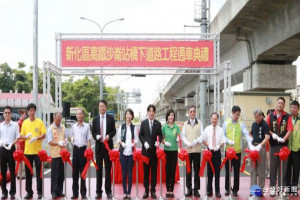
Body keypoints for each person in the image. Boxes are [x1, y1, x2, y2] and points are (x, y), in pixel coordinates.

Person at [266, 97, 293, 197]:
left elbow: (290, 129)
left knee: (283, 169)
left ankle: (281, 189)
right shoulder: (270, 115)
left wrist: (284, 139)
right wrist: (272, 134)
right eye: (278, 103)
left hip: (283, 147)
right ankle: (272, 189)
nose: (280, 105)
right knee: (273, 168)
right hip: (273, 146)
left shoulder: (287, 116)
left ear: (284, 105)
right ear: (276, 104)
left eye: (282, 103)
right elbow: (266, 127)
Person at [223, 105, 252, 197]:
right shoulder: (226, 123)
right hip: (228, 152)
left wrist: (249, 140)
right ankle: (227, 188)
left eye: (238, 115)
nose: (237, 116)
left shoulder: (241, 123)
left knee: (236, 171)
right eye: (236, 114)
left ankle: (235, 189)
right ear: (232, 113)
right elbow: (222, 135)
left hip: (237, 152)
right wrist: (228, 141)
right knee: (228, 171)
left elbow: (246, 133)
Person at [20, 103, 46, 200]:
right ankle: (29, 192)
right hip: (27, 152)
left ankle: (40, 192)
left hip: (38, 152)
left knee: (39, 173)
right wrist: (25, 137)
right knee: (28, 173)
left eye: (33, 110)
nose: (32, 112)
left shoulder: (39, 122)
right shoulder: (25, 123)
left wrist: (36, 137)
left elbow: (43, 134)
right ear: (27, 112)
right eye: (30, 110)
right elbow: (21, 136)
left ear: (35, 111)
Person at [92, 100, 116, 199]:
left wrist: (109, 136)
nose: (102, 108)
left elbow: (114, 131)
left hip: (108, 148)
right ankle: (98, 191)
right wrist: (96, 136)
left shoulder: (110, 118)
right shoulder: (95, 119)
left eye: (103, 106)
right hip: (99, 148)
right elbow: (93, 132)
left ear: (106, 107)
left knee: (107, 170)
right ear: (98, 108)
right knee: (99, 171)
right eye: (100, 106)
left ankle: (108, 191)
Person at [139, 104, 162, 199]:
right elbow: (141, 135)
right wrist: (144, 142)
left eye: (153, 111)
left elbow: (160, 135)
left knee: (154, 172)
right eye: (150, 111)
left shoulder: (158, 123)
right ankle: (146, 191)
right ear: (147, 112)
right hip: (145, 152)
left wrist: (158, 141)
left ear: (154, 113)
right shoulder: (143, 123)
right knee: (146, 172)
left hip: (154, 153)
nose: (151, 113)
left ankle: (153, 191)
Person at [181, 106, 204, 197]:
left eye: (194, 111)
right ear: (188, 113)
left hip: (197, 150)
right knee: (188, 171)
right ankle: (189, 189)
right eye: (191, 111)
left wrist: (196, 141)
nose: (192, 113)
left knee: (197, 170)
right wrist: (187, 143)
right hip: (188, 151)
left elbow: (202, 135)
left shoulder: (200, 123)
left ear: (195, 113)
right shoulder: (185, 124)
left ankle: (196, 190)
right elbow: (183, 136)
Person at [70, 109, 91, 199]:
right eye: (77, 114)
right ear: (76, 116)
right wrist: (71, 139)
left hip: (83, 150)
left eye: (80, 114)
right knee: (75, 172)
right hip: (75, 150)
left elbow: (89, 139)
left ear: (83, 115)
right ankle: (75, 193)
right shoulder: (73, 126)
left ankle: (83, 193)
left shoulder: (87, 126)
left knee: (83, 172)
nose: (79, 116)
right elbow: (71, 136)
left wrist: (89, 151)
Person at [117, 109, 138, 200]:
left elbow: (136, 139)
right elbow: (118, 139)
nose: (128, 116)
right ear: (125, 116)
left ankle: (129, 192)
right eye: (127, 114)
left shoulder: (134, 128)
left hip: (131, 154)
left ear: (132, 116)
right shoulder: (121, 127)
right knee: (124, 174)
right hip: (123, 153)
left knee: (130, 174)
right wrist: (121, 143)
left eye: (130, 114)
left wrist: (134, 144)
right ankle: (124, 192)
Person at [202, 112, 225, 198]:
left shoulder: (221, 129)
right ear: (211, 119)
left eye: (215, 119)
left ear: (217, 120)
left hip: (217, 152)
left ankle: (217, 191)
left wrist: (219, 146)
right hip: (209, 153)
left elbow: (223, 141)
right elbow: (203, 140)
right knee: (209, 173)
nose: (214, 120)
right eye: (213, 119)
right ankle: (209, 190)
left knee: (217, 173)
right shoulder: (207, 129)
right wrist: (209, 145)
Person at [0, 106, 20, 199]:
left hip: (11, 149)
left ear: (11, 114)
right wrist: (2, 142)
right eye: (6, 112)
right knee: (3, 172)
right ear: (3, 114)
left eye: (9, 112)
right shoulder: (0, 125)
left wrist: (12, 143)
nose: (7, 114)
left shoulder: (15, 125)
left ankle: (12, 192)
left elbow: (18, 137)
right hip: (3, 149)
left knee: (12, 172)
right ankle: (4, 192)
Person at [249, 108, 270, 196]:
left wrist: (260, 145)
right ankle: (253, 189)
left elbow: (267, 137)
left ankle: (260, 190)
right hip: (253, 147)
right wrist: (250, 143)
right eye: (255, 117)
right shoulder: (253, 124)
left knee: (261, 170)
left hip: (261, 148)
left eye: (257, 117)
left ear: (261, 116)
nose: (256, 119)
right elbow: (251, 134)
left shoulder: (265, 124)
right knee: (253, 170)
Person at [47, 112, 67, 199]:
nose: (58, 122)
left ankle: (60, 191)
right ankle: (54, 192)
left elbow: (66, 137)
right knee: (55, 174)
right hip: (55, 154)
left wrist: (65, 141)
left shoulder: (63, 127)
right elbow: (50, 141)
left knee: (62, 174)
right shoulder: (50, 128)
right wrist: (58, 143)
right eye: (57, 120)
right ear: (54, 119)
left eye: (60, 120)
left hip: (63, 154)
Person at [162, 109, 180, 198]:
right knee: (167, 170)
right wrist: (165, 143)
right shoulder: (164, 127)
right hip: (166, 151)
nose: (171, 117)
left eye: (172, 115)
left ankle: (171, 190)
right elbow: (161, 138)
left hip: (174, 151)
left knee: (173, 170)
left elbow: (179, 137)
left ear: (174, 117)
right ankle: (167, 189)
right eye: (169, 115)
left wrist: (178, 139)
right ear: (167, 117)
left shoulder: (176, 127)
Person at [286, 100, 300, 196]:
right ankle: (287, 189)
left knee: (296, 170)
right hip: (287, 149)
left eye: (295, 108)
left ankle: (294, 189)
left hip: (297, 149)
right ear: (290, 108)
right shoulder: (287, 118)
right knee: (287, 170)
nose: (294, 109)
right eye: (292, 107)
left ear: (298, 109)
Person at [17, 109, 27, 180]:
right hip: (21, 141)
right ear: (22, 114)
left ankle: (19, 173)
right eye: (24, 114)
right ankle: (21, 173)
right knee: (21, 158)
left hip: (22, 141)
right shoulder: (20, 122)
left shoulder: (22, 122)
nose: (25, 116)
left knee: (20, 158)